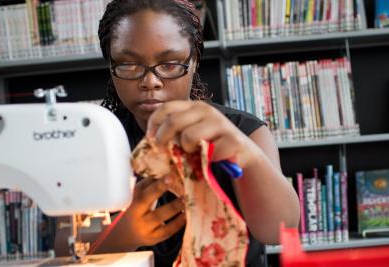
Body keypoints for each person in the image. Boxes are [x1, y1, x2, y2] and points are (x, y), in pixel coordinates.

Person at [54, 0, 300, 266]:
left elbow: (278, 231)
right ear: (111, 66)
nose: (150, 81)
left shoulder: (243, 132)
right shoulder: (93, 143)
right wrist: (125, 233)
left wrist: (244, 155)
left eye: (169, 63)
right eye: (129, 65)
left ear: (193, 61)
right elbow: (65, 252)